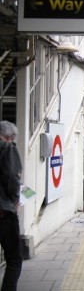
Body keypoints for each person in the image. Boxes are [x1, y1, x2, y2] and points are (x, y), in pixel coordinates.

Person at [0, 121, 23, 291]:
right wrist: (16, 200)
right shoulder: (7, 148)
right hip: (3, 213)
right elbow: (12, 179)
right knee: (14, 260)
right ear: (9, 137)